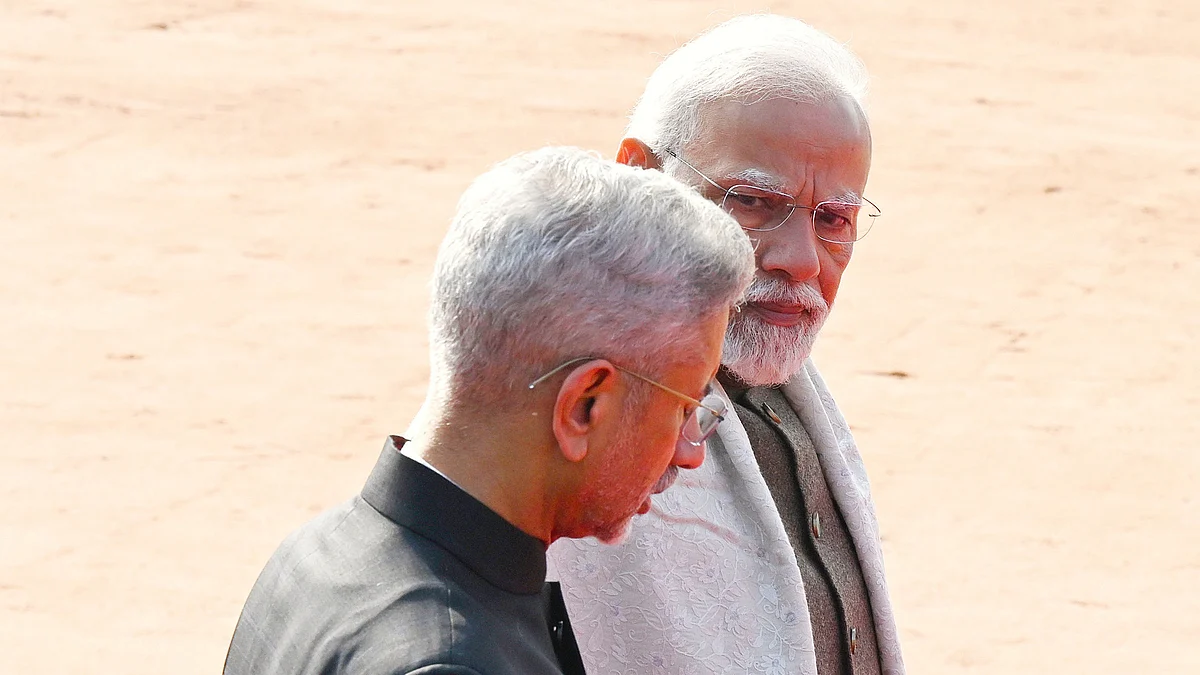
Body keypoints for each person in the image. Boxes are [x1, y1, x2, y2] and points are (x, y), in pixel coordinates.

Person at [222, 146, 755, 675]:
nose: (689, 452)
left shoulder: (318, 555)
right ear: (584, 406)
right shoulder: (452, 660)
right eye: (685, 406)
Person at [547, 15, 905, 675]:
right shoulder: (562, 412)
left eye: (835, 219)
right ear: (639, 173)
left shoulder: (788, 387)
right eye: (753, 201)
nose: (802, 260)